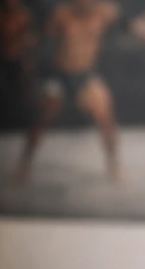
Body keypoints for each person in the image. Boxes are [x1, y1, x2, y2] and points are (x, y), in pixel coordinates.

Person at [16, 0, 123, 183]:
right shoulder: (62, 15)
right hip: (60, 74)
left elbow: (127, 23)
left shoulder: (106, 13)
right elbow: (43, 40)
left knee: (106, 116)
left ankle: (114, 165)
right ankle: (25, 164)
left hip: (86, 75)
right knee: (41, 119)